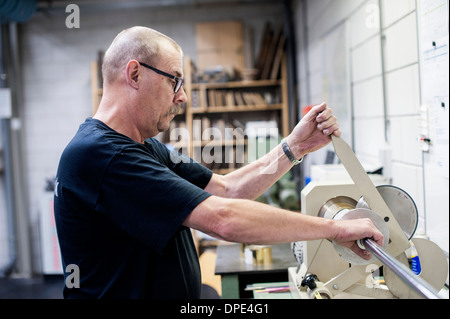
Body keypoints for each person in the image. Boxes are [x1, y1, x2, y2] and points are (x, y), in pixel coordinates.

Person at [54, 26, 384, 299]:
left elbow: (227, 191)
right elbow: (222, 219)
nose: (181, 97)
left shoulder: (145, 147)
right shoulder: (102, 155)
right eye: (175, 81)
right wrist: (336, 229)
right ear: (135, 74)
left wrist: (294, 147)